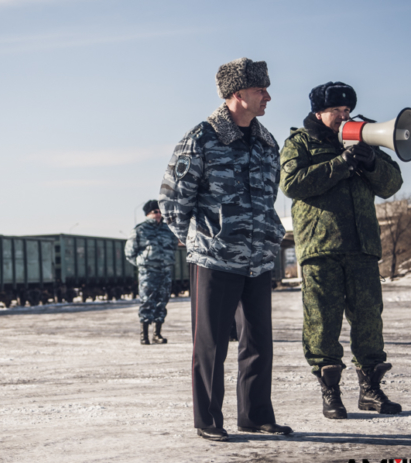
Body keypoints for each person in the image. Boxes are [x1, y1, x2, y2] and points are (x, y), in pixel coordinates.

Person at [159, 57, 292, 442]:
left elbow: (268, 198)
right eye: (259, 89)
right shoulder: (202, 137)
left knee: (257, 340)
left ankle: (255, 415)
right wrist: (197, 240)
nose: (268, 96)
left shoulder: (267, 141)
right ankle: (208, 420)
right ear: (237, 94)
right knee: (212, 343)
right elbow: (172, 199)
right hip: (215, 257)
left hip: (258, 257)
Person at [280, 81, 403, 419]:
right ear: (319, 112)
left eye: (347, 110)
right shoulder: (300, 143)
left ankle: (370, 390)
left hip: (362, 247)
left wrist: (372, 164)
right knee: (322, 321)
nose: (344, 116)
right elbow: (292, 184)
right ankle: (330, 392)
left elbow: (393, 183)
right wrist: (341, 164)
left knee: (368, 320)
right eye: (337, 111)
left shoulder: (363, 136)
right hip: (321, 248)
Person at [125, 200, 179, 345]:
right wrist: (143, 264)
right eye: (155, 211)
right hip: (148, 272)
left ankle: (157, 334)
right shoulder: (140, 230)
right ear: (148, 214)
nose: (158, 214)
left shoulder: (168, 230)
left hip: (165, 271)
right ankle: (144, 335)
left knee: (162, 301)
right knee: (147, 301)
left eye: (160, 211)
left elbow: (174, 247)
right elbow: (129, 252)